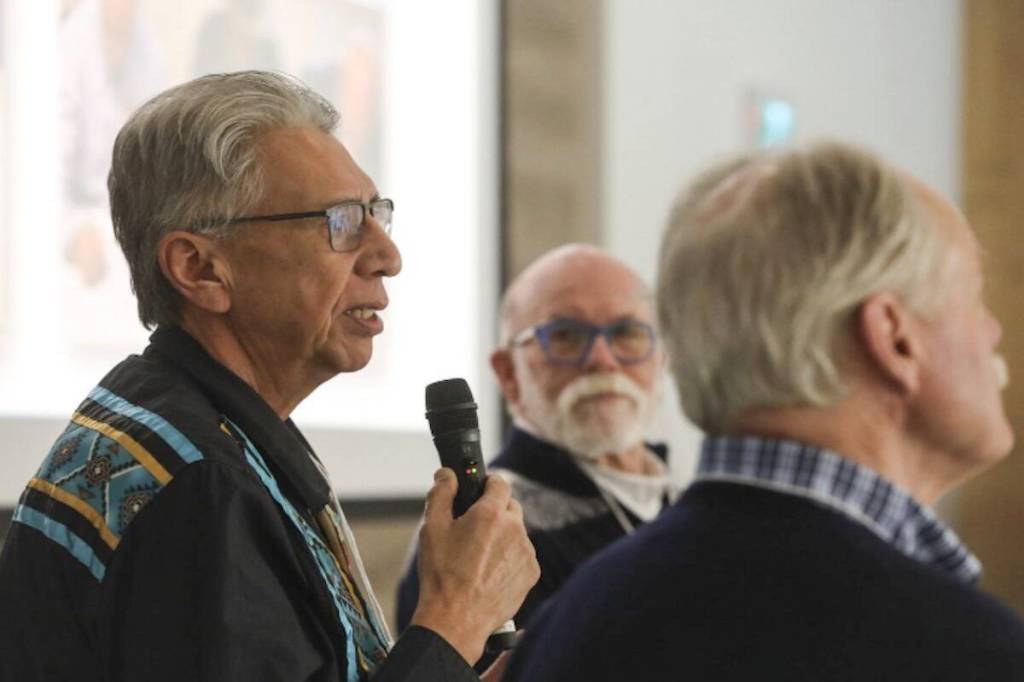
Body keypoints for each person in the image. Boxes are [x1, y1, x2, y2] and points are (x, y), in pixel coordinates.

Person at [0, 71, 538, 682]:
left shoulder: (192, 427)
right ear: (200, 268)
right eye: (340, 221)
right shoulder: (198, 489)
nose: (387, 255)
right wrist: (454, 618)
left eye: (375, 213)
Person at [504, 142, 1024, 681]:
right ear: (894, 339)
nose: (993, 332)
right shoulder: (968, 653)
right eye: (973, 296)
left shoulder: (565, 624)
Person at [396, 244, 678, 641]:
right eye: (566, 335)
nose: (602, 359)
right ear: (508, 372)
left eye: (627, 333)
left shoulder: (686, 498)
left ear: (661, 358)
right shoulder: (479, 527)